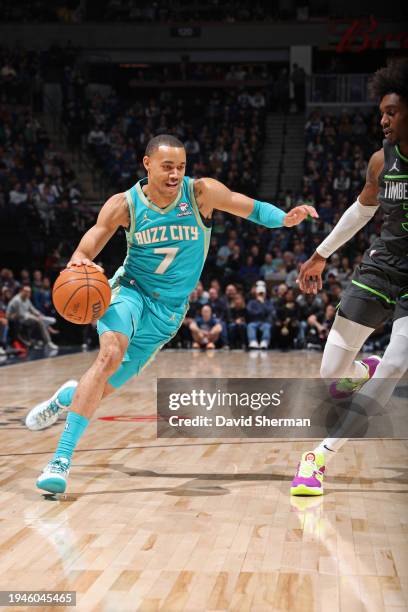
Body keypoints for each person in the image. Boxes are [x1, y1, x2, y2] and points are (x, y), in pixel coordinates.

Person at [25, 133, 317, 493]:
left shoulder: (200, 193)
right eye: (167, 167)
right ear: (147, 165)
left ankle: (64, 399)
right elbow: (88, 246)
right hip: (130, 292)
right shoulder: (124, 205)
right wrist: (81, 263)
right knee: (109, 356)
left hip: (167, 315)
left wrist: (285, 219)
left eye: (180, 166)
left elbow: (250, 207)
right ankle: (61, 460)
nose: (176, 174)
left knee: (102, 388)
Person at [291, 59, 408, 496]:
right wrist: (320, 254)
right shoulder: (382, 161)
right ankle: (362, 369)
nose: (383, 119)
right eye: (382, 111)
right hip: (382, 265)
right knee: (330, 376)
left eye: (392, 112)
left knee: (397, 363)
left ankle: (318, 457)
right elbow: (362, 209)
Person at [6, 286, 58, 350]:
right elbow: (21, 315)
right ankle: (48, 342)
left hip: (25, 317)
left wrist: (39, 314)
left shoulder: (27, 299)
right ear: (22, 291)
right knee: (39, 321)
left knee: (40, 320)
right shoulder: (17, 300)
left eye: (29, 292)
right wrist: (35, 317)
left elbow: (32, 309)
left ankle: (43, 319)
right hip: (15, 319)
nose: (27, 293)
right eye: (26, 292)